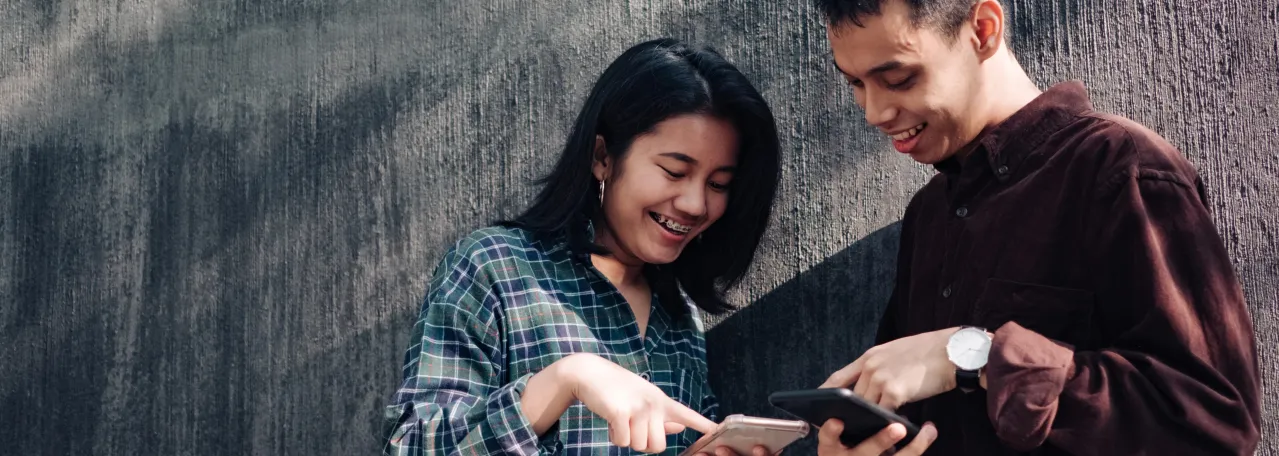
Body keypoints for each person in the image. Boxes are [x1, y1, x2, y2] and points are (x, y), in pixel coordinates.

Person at [809, 0, 1262, 455]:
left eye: (898, 79)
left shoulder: (1119, 167)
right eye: (855, 83)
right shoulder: (929, 212)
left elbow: (1215, 421)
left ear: (983, 30)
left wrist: (973, 355)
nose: (874, 112)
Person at [382, 38, 782, 456]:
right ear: (602, 156)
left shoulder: (679, 314)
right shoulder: (493, 268)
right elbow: (411, 447)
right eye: (674, 171)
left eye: (718, 184)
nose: (696, 204)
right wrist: (564, 380)